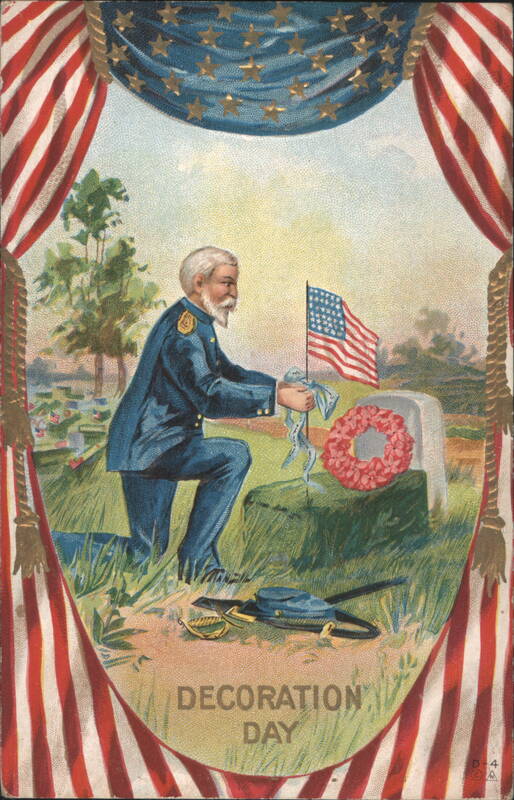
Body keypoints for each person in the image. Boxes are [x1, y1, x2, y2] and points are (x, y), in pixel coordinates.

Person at [106, 246, 314, 582]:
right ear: (199, 282)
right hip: (150, 449)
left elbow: (228, 372)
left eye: (234, 284)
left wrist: (277, 387)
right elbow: (209, 395)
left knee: (145, 554)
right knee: (145, 555)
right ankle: (54, 545)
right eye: (226, 283)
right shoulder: (184, 330)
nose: (234, 292)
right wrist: (276, 399)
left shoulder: (198, 323)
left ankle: (199, 564)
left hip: (162, 446)